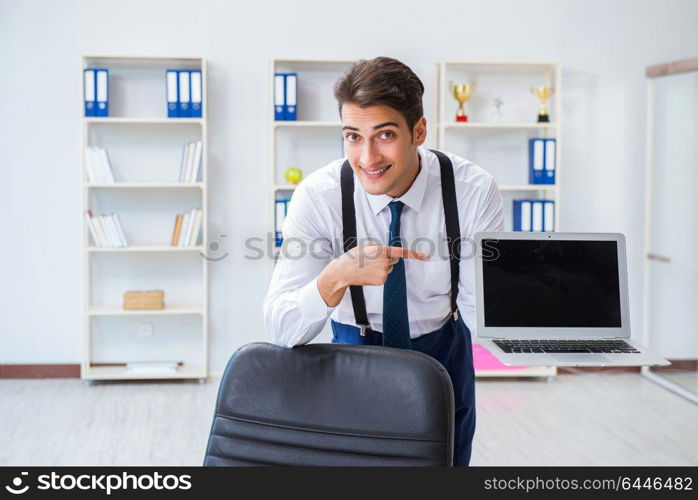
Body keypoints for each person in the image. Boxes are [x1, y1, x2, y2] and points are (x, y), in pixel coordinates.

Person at [263, 56, 504, 466]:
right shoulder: (318, 196)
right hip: (355, 351)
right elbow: (281, 327)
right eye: (353, 136)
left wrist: (547, 329)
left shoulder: (471, 190)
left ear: (419, 131)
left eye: (385, 134)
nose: (368, 157)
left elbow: (483, 313)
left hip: (444, 354)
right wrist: (337, 276)